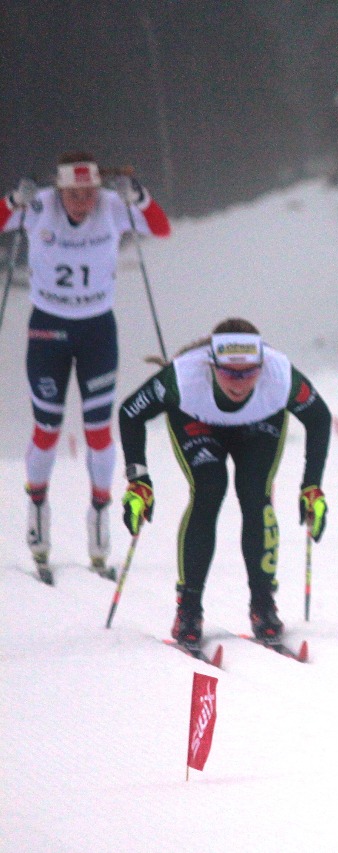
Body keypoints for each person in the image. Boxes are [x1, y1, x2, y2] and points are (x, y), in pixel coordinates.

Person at [2, 151, 170, 581]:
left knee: (99, 430)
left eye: (89, 193)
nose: (82, 202)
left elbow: (161, 230)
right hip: (48, 329)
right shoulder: (39, 205)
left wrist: (140, 198)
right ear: (60, 190)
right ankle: (37, 506)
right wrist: (11, 202)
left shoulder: (113, 208)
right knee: (48, 428)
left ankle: (99, 519)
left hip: (96, 329)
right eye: (74, 194)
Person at [116, 318, 332, 645]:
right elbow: (131, 412)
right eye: (229, 372)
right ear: (211, 364)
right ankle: (188, 608)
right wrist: (139, 481)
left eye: (249, 372)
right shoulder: (184, 376)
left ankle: (263, 603)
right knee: (209, 489)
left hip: (258, 425)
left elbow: (320, 418)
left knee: (255, 492)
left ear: (262, 364)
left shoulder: (279, 375)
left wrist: (311, 487)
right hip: (197, 423)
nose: (239, 383)